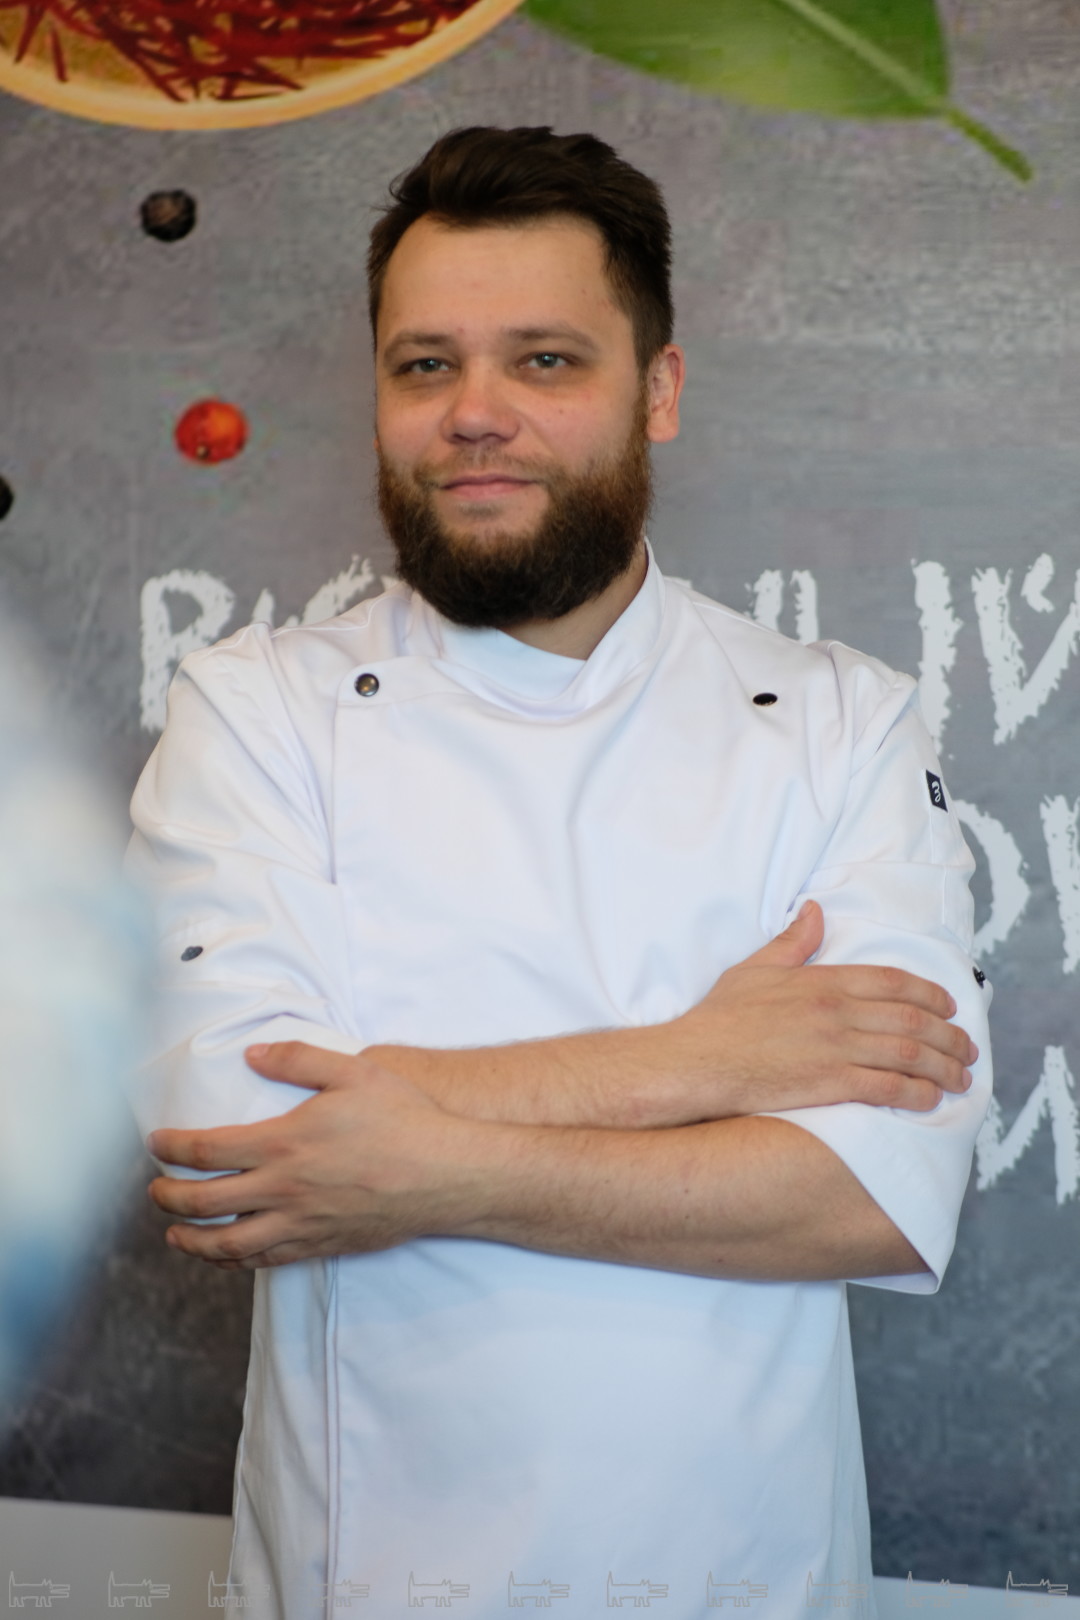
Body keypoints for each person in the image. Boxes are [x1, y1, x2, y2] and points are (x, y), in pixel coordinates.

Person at [127, 126, 992, 1620]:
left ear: (658, 390)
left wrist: (421, 1160)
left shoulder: (841, 721)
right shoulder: (256, 709)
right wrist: (702, 1062)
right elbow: (234, 1149)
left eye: (544, 360)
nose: (475, 414)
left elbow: (873, 1199)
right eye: (424, 365)